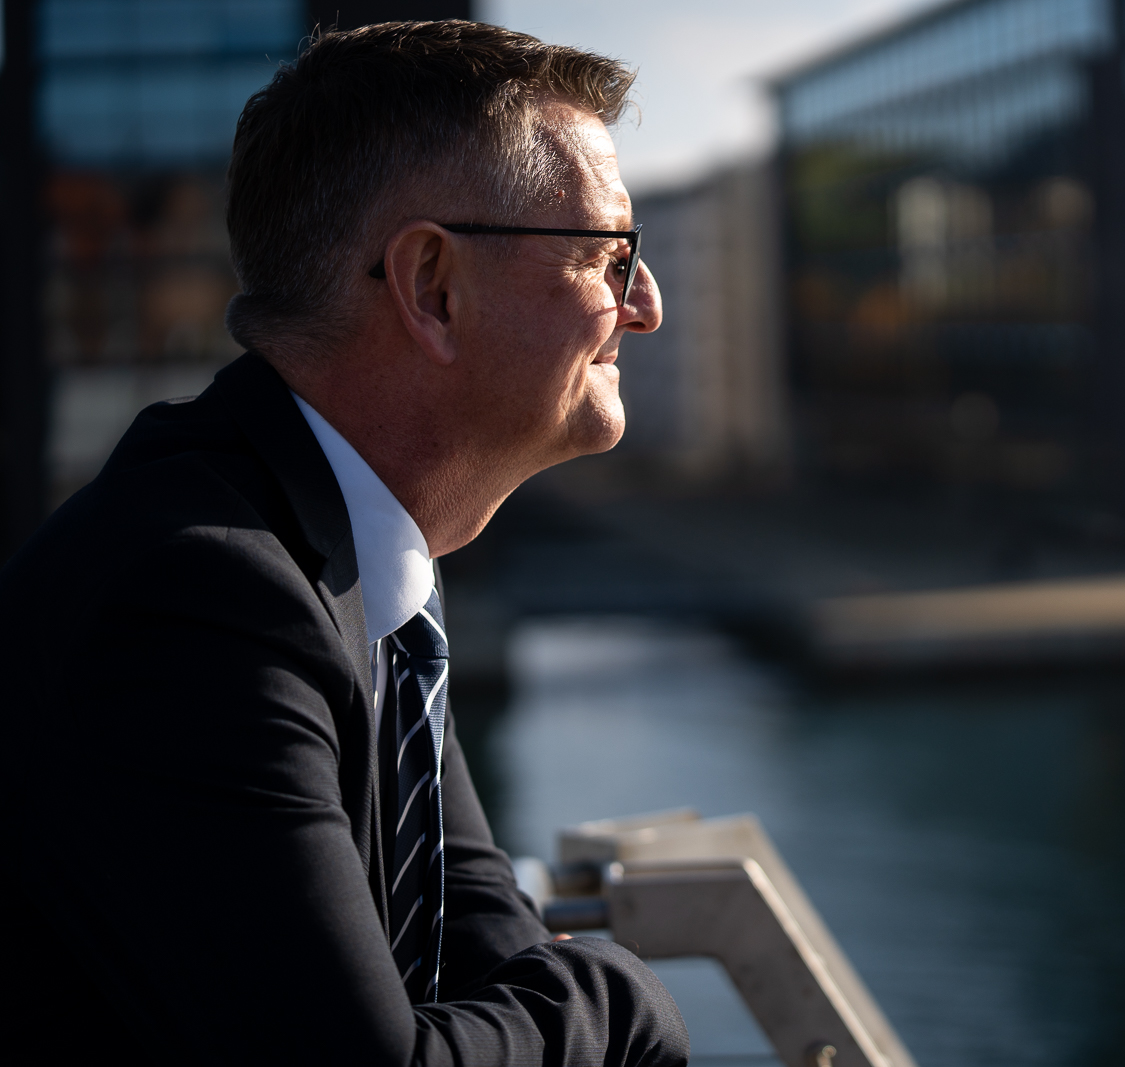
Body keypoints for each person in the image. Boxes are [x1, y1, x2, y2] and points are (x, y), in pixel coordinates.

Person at [4, 21, 687, 1066]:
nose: (644, 305)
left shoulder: (354, 551)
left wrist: (550, 998)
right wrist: (622, 995)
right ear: (433, 287)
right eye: (606, 255)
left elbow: (476, 918)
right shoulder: (197, 595)